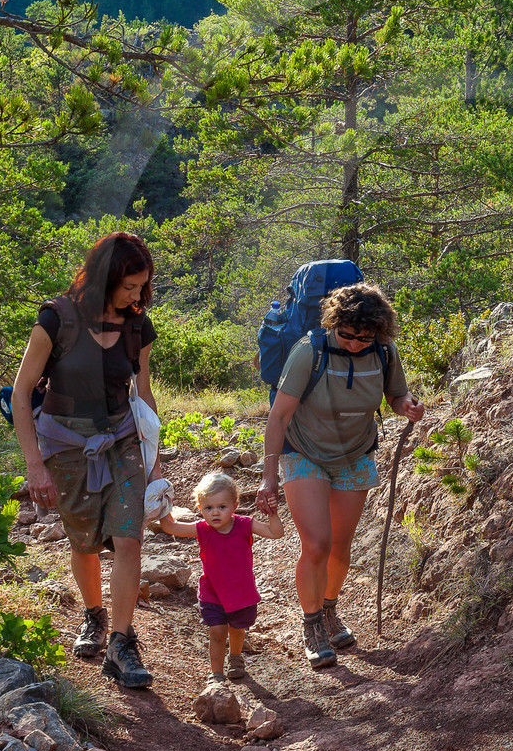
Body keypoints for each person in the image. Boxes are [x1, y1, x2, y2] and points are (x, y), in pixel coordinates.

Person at [11, 232, 161, 689]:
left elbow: (145, 394)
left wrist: (154, 461)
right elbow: (21, 394)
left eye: (142, 287)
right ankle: (94, 615)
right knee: (84, 542)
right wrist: (34, 465)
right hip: (66, 446)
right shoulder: (55, 319)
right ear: (106, 276)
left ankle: (121, 642)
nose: (137, 296)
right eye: (129, 286)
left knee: (128, 539)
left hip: (122, 440)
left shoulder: (138, 327)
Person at [256, 283, 426, 668]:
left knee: (339, 549)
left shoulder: (384, 351)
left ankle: (329, 608)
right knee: (316, 544)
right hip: (304, 453)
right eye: (346, 334)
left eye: (363, 337)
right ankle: (312, 623)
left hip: (355, 454)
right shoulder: (309, 352)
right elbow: (279, 416)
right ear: (334, 323)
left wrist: (407, 406)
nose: (353, 343)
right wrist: (268, 477)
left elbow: (396, 395)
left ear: (378, 333)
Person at [157, 471, 284, 681]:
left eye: (221, 507)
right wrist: (162, 503)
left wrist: (272, 513)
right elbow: (170, 526)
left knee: (237, 629)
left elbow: (275, 533)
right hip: (212, 593)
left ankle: (235, 657)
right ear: (200, 508)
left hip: (241, 593)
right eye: (208, 508)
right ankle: (216, 674)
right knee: (216, 632)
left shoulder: (244, 524)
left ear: (234, 506)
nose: (215, 513)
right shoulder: (202, 529)